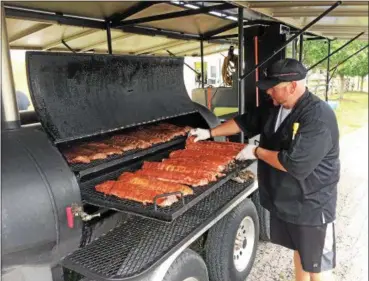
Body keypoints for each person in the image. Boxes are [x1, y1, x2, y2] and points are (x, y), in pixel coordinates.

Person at [190, 58, 340, 281]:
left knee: (316, 264)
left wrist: (256, 152)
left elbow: (294, 164)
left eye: (274, 87)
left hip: (312, 204)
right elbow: (245, 122)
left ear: (292, 86)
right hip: (289, 199)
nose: (269, 91)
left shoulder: (318, 117)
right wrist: (208, 133)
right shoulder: (275, 107)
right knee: (299, 252)